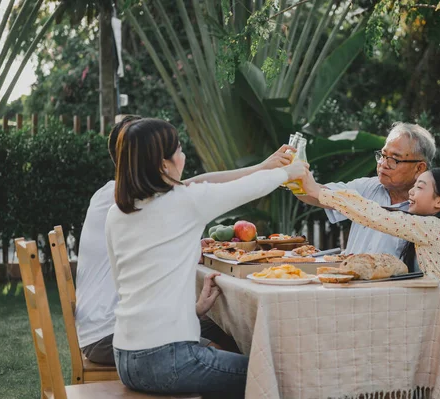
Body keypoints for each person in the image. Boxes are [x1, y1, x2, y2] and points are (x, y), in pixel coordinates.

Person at [105, 118, 308, 395]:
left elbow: (128, 287)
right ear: (163, 164)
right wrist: (290, 172)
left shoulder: (117, 213)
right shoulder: (183, 203)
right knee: (272, 379)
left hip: (126, 358)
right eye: (177, 149)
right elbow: (246, 189)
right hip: (169, 360)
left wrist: (192, 311)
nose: (183, 155)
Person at [300, 167, 440, 356]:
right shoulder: (438, 226)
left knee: (370, 342)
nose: (411, 191)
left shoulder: (434, 228)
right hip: (439, 320)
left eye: (420, 187)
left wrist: (319, 192)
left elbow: (376, 215)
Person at [297, 123, 436, 261]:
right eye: (383, 155)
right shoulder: (368, 186)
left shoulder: (427, 209)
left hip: (394, 283)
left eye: (394, 159)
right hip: (348, 277)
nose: (383, 164)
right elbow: (315, 194)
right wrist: (291, 176)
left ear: (419, 168)